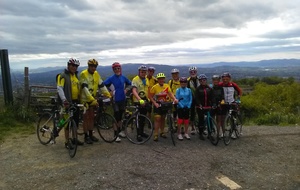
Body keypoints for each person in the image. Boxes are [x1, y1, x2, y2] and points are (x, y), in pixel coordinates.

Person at [80, 58, 111, 144]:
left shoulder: (96, 74)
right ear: (88, 66)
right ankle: (86, 136)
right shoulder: (83, 74)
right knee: (86, 118)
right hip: (85, 99)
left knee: (92, 117)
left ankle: (90, 134)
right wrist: (92, 99)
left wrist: (108, 94)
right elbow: (85, 89)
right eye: (92, 66)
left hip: (92, 98)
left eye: (95, 66)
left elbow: (101, 85)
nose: (93, 68)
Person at [56, 58, 84, 148]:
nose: (74, 67)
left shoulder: (75, 76)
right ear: (68, 65)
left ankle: (75, 139)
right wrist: (64, 100)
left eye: (76, 66)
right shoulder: (63, 75)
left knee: (75, 121)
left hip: (75, 102)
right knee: (67, 123)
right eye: (72, 65)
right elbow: (60, 88)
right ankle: (67, 141)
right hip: (67, 102)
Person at [104, 62, 132, 142]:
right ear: (113, 70)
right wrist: (109, 91)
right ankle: (115, 135)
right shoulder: (111, 78)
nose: (117, 70)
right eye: (115, 69)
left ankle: (119, 132)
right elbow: (103, 85)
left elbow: (130, 84)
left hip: (122, 99)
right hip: (115, 100)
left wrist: (127, 89)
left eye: (118, 68)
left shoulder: (123, 77)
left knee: (120, 117)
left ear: (120, 69)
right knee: (116, 117)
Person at [149, 73, 178, 141]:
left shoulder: (166, 86)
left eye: (162, 79)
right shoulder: (155, 87)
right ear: (158, 80)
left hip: (165, 104)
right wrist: (155, 103)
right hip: (158, 104)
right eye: (159, 79)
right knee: (157, 119)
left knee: (162, 118)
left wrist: (174, 99)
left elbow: (170, 94)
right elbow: (150, 96)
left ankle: (162, 132)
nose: (161, 80)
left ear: (164, 79)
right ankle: (156, 134)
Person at [219, 72, 242, 139]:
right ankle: (223, 132)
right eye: (223, 79)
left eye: (226, 79)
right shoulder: (220, 85)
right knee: (222, 119)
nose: (225, 80)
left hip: (232, 103)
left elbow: (239, 91)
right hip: (224, 104)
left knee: (233, 119)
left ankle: (232, 132)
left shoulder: (233, 85)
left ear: (229, 79)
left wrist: (238, 99)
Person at [131, 65, 151, 142]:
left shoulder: (146, 79)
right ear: (139, 72)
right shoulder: (135, 79)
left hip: (145, 100)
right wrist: (139, 100)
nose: (143, 73)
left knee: (143, 118)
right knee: (138, 118)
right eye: (142, 72)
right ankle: (138, 134)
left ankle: (142, 132)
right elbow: (134, 91)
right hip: (137, 100)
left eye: (144, 72)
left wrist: (148, 99)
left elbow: (147, 90)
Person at [194, 74, 213, 140]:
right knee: (201, 120)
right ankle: (201, 133)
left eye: (204, 80)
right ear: (199, 81)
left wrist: (213, 104)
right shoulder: (198, 89)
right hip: (200, 107)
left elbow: (212, 97)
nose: (203, 81)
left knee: (210, 120)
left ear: (206, 80)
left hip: (208, 106)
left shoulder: (209, 88)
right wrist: (199, 104)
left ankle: (210, 134)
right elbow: (196, 98)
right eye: (201, 80)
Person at [187, 66, 200, 135]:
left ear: (196, 72)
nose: (193, 73)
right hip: (191, 99)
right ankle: (192, 127)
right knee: (192, 113)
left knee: (200, 112)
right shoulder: (188, 81)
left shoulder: (200, 79)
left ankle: (201, 127)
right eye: (191, 72)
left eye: (194, 72)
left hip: (199, 99)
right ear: (189, 73)